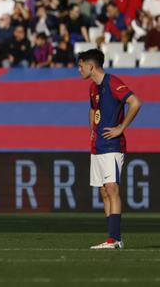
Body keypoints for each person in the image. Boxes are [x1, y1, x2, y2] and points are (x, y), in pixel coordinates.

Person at [77, 49, 142, 250]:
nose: (79, 69)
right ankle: (111, 239)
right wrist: (91, 131)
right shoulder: (92, 88)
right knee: (104, 191)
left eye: (81, 66)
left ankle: (115, 239)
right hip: (97, 145)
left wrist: (121, 127)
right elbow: (92, 109)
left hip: (112, 145)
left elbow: (135, 102)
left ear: (91, 66)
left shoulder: (112, 82)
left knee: (112, 188)